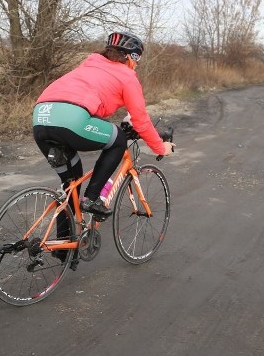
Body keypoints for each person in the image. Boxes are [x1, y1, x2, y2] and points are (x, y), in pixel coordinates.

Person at [32, 31, 175, 219]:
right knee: (118, 139)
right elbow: (141, 120)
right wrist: (159, 147)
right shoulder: (126, 75)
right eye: (137, 59)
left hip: (41, 119)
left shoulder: (89, 65)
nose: (136, 64)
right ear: (131, 56)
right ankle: (91, 199)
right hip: (72, 120)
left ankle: (64, 246)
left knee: (71, 187)